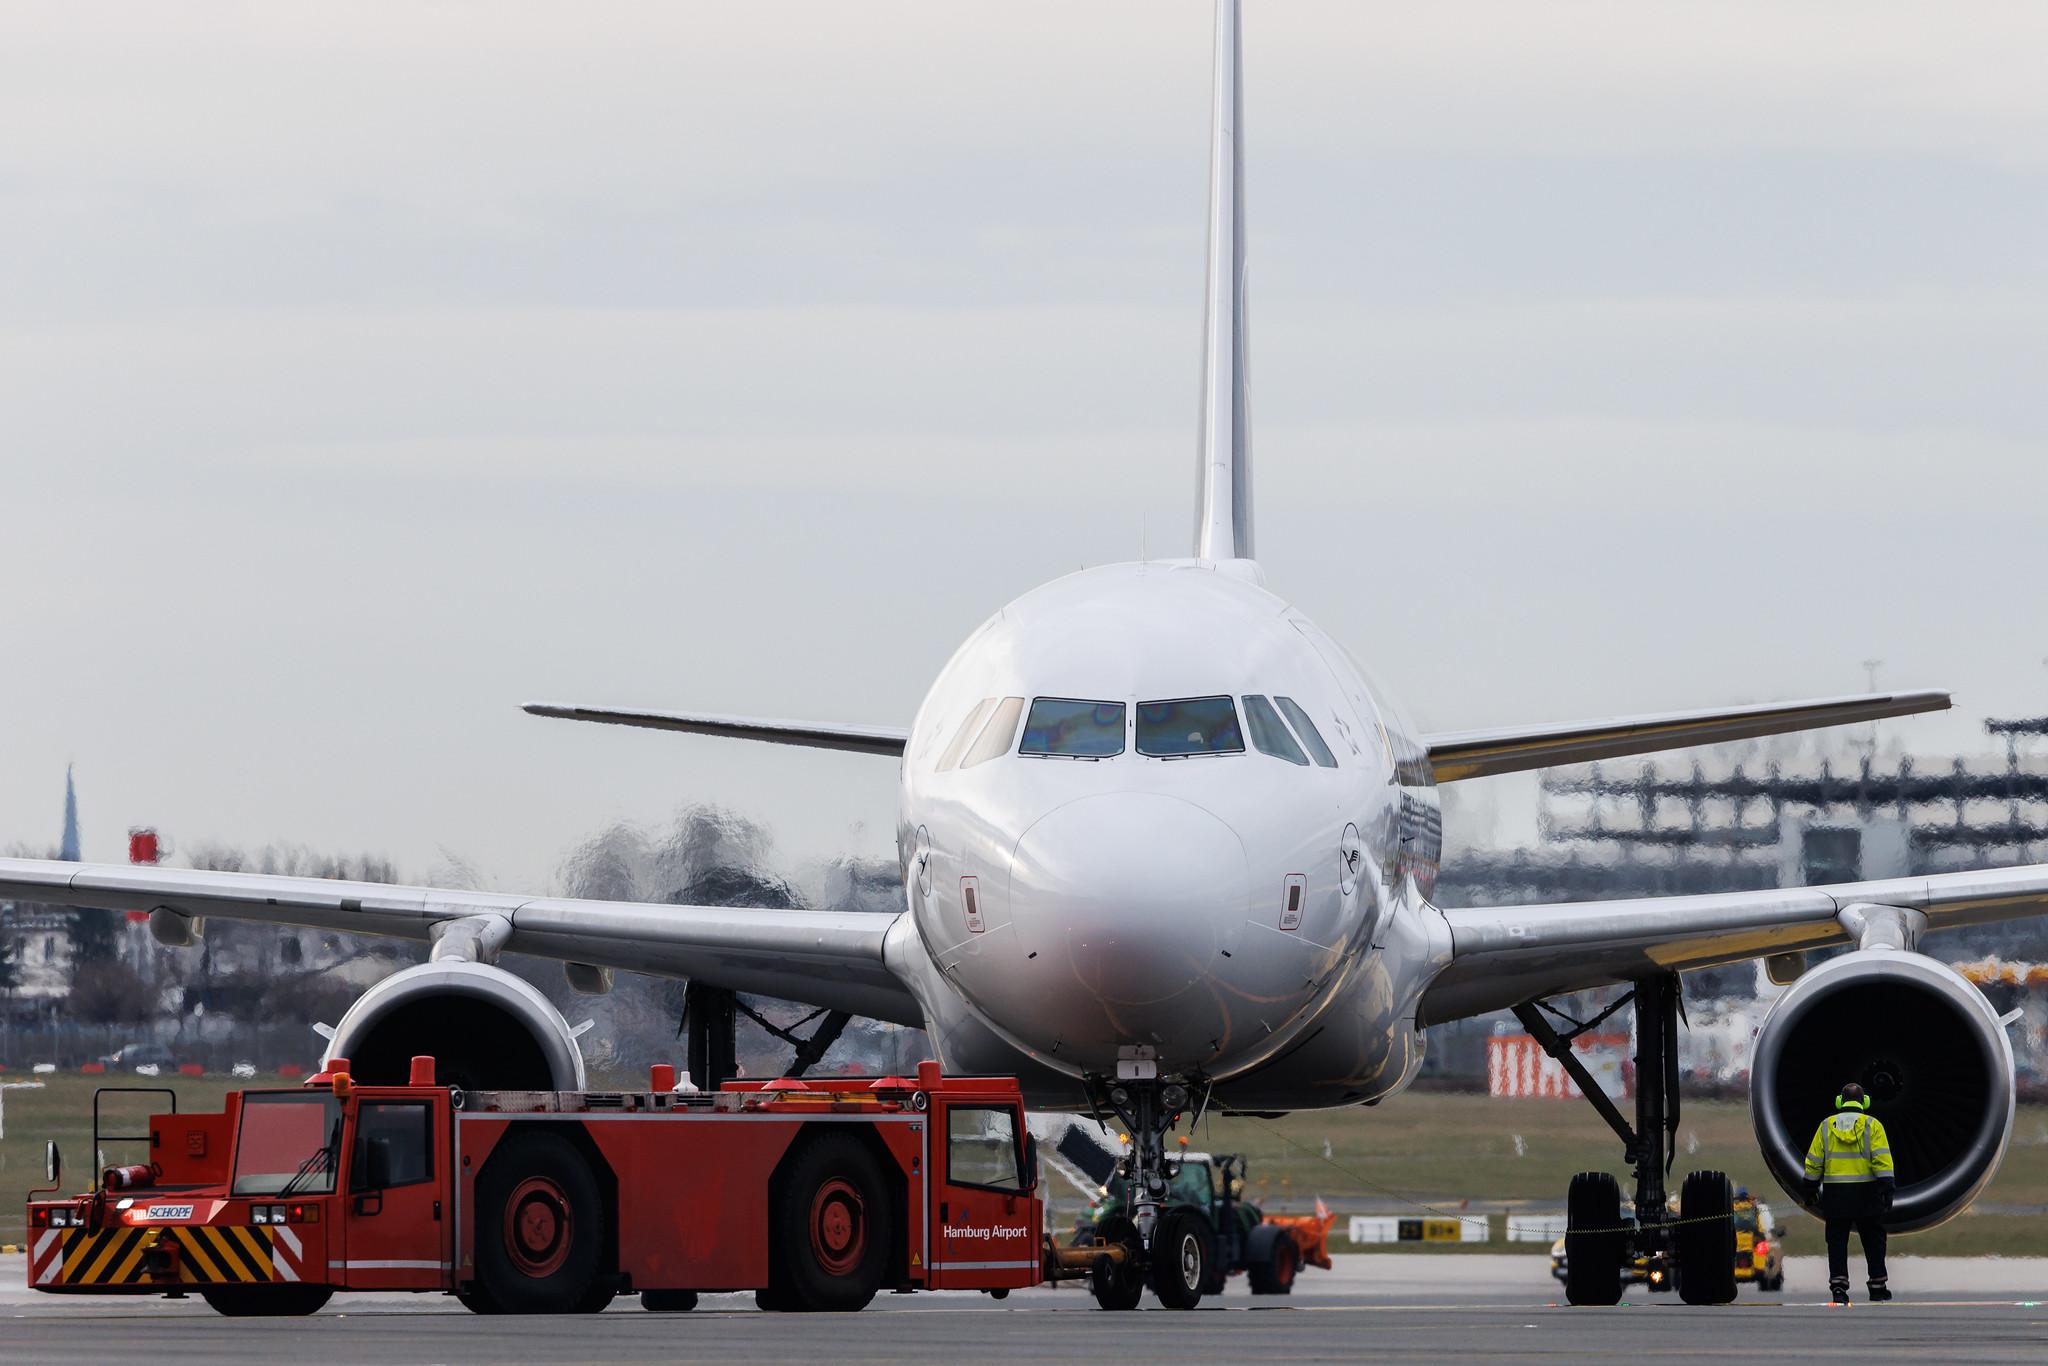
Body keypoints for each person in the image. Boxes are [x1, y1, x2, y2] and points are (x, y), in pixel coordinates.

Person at [1803, 1082, 1895, 1304]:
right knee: (1874, 1241)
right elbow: (1881, 1160)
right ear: (1864, 1102)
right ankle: (1877, 1285)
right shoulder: (1872, 1126)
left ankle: (1839, 1287)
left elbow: (1814, 1163)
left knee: (1836, 1242)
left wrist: (1810, 1190)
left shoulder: (1826, 1126)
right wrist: (1887, 1189)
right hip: (1866, 1194)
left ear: (1839, 1102)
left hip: (1836, 1196)